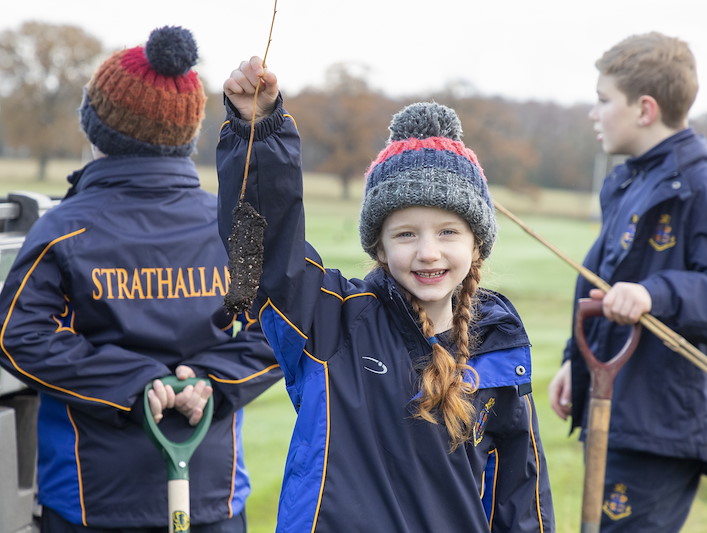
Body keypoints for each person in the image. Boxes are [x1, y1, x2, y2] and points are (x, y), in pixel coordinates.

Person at [216, 56, 555, 532]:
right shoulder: (331, 322)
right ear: (377, 244)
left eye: (448, 232)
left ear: (477, 242)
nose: (428, 253)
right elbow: (268, 248)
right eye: (405, 235)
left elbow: (520, 492)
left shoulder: (498, 344)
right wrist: (259, 131)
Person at [0, 27, 282, 532]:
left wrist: (134, 385)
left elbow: (16, 337)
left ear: (94, 129)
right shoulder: (231, 223)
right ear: (188, 136)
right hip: (211, 500)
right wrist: (209, 382)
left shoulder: (63, 229)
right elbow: (281, 327)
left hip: (91, 503)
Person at [548, 32, 707, 531]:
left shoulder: (706, 192)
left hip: (661, 424)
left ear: (645, 109)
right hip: (616, 407)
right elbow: (602, 286)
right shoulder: (627, 183)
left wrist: (656, 294)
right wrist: (574, 361)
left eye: (604, 101)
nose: (594, 113)